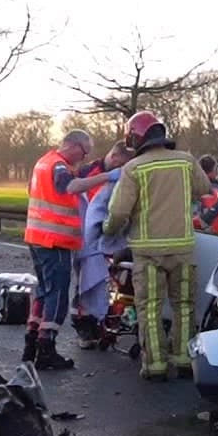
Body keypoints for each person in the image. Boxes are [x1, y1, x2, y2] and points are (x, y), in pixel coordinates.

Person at [104, 111, 214, 381]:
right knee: (184, 305)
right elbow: (204, 188)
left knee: (150, 308)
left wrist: (108, 230)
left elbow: (118, 212)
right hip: (182, 249)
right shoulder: (186, 161)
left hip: (148, 252)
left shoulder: (134, 168)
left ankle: (155, 366)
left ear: (135, 138)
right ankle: (185, 359)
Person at [21, 129, 93, 370]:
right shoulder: (59, 167)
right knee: (58, 295)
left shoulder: (43, 162)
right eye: (84, 153)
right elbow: (69, 186)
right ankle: (46, 349)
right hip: (56, 240)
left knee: (43, 291)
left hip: (37, 237)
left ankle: (30, 344)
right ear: (74, 146)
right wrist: (108, 177)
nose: (82, 158)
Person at [71, 143, 133, 347]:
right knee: (86, 285)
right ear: (114, 158)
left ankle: (107, 322)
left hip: (110, 238)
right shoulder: (87, 172)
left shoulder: (118, 176)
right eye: (122, 165)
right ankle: (85, 330)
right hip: (86, 239)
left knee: (114, 283)